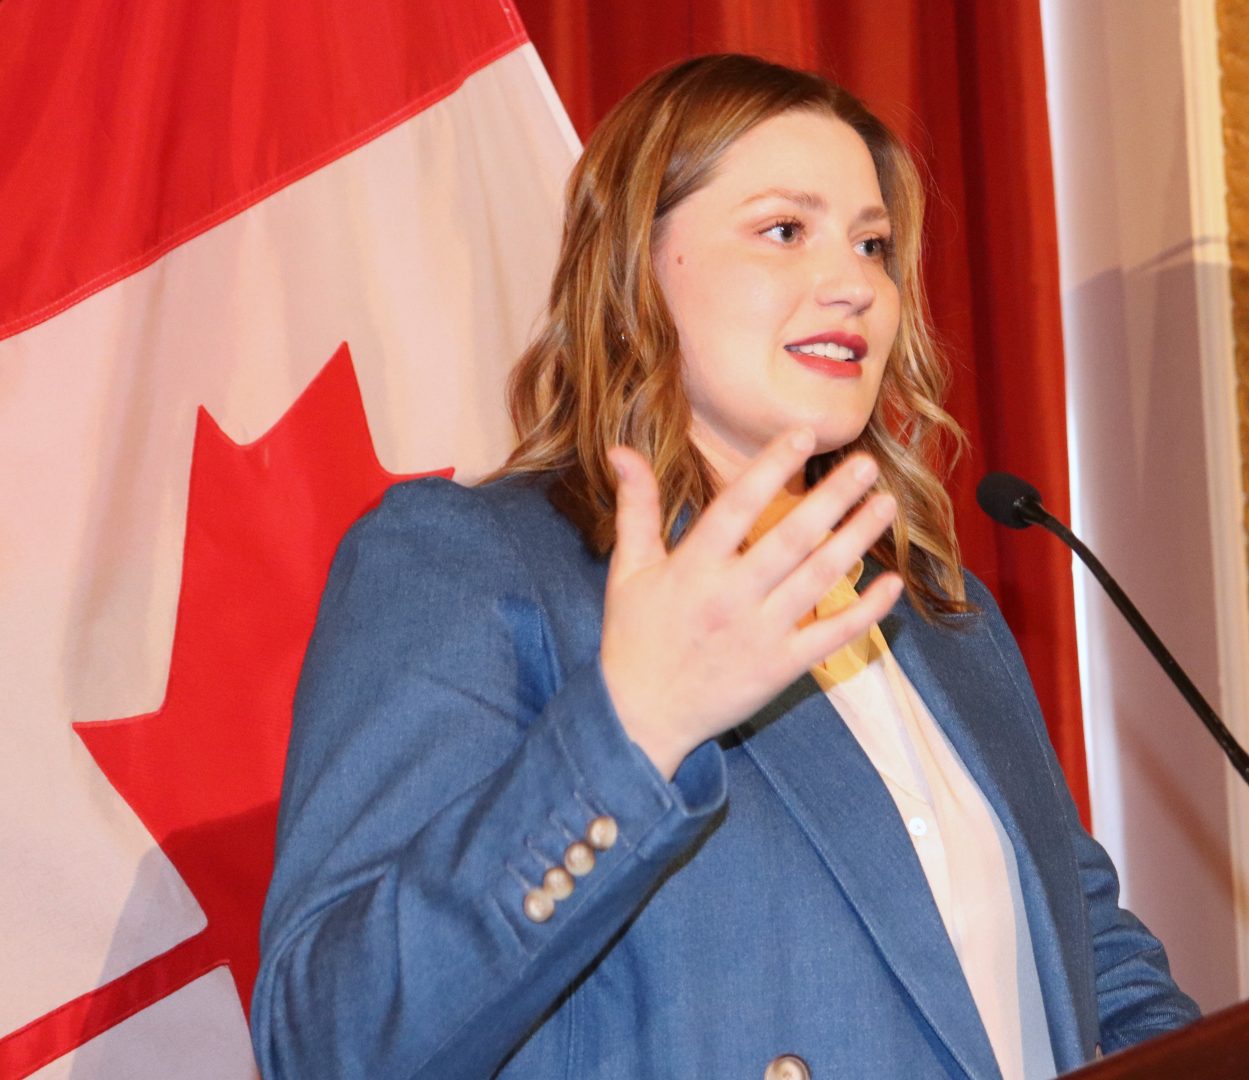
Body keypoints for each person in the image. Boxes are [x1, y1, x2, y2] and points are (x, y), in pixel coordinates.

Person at [251, 54, 1198, 1079]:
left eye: (873, 244)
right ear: (635, 271)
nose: (856, 286)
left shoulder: (943, 618)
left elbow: (1096, 974)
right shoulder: (479, 566)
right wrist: (635, 730)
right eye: (785, 230)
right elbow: (329, 1045)